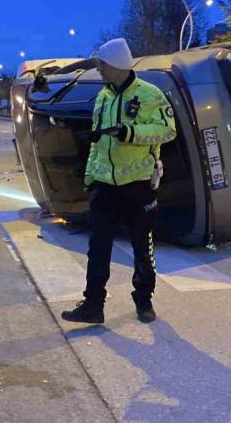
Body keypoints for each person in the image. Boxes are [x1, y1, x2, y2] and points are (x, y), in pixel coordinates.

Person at [61, 38, 176, 325]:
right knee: (98, 247)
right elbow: (97, 141)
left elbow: (168, 130)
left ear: (115, 64)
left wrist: (129, 132)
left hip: (137, 184)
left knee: (142, 246)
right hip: (104, 185)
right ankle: (93, 305)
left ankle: (144, 301)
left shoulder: (150, 94)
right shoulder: (103, 96)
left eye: (102, 64)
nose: (99, 69)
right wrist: (90, 175)